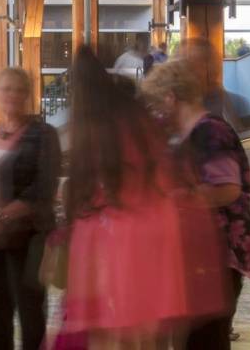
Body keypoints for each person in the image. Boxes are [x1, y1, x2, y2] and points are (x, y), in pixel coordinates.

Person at [62, 47, 225, 347]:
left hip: (123, 235)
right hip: (155, 231)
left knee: (116, 329)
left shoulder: (97, 127)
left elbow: (92, 190)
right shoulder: (138, 121)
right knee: (144, 330)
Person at [142, 59, 250, 350]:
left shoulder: (210, 131)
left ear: (171, 97)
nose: (157, 113)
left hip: (216, 255)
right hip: (199, 255)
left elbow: (227, 189)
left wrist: (173, 199)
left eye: (158, 104)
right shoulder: (186, 135)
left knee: (205, 339)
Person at [0, 67, 60, 350]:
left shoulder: (44, 134)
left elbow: (44, 184)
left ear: (28, 95)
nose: (12, 95)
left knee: (30, 313)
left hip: (29, 235)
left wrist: (4, 216)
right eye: (6, 89)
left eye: (19, 89)